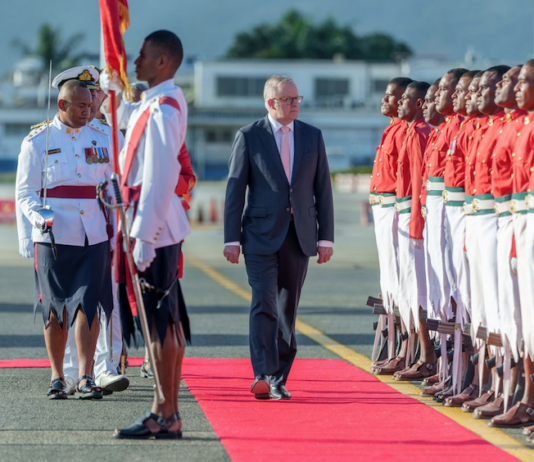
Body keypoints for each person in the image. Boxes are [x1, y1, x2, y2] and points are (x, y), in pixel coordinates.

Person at [101, 29, 191, 439]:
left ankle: (165, 412)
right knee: (163, 323)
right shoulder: (154, 104)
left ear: (163, 62)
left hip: (155, 225)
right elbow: (128, 143)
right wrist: (111, 88)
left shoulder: (165, 110)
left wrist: (143, 237)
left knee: (161, 324)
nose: (134, 63)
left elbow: (159, 178)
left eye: (141, 56)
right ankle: (163, 409)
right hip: (150, 221)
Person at [223, 74, 334, 400]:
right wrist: (232, 238)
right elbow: (235, 189)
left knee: (287, 309)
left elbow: (323, 189)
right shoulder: (249, 136)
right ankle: (262, 372)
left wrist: (325, 237)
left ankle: (278, 377)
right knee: (263, 303)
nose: (295, 104)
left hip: (299, 236)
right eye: (288, 99)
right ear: (271, 102)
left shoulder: (312, 136)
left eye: (297, 99)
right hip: (258, 235)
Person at [16, 79, 114, 400]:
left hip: (93, 233)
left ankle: (86, 377)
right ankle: (58, 376)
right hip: (53, 234)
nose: (89, 112)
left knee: (90, 303)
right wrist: (37, 217)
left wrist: (118, 218)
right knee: (55, 307)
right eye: (82, 107)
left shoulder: (103, 136)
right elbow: (25, 191)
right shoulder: (37, 141)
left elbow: (111, 183)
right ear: (63, 105)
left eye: (91, 106)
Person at [51, 66, 129, 395]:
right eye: (88, 93)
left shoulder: (108, 136)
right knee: (63, 302)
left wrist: (126, 221)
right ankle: (69, 372)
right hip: (59, 231)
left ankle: (102, 366)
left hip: (100, 227)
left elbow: (117, 183)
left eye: (97, 92)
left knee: (99, 299)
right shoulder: (48, 137)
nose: (95, 98)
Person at [490, 59, 534, 431]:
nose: (518, 87)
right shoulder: (519, 126)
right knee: (521, 316)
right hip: (516, 220)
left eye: (525, 82)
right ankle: (525, 398)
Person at [368, 76, 413, 375]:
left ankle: (404, 348)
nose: (384, 100)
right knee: (389, 282)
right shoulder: (392, 129)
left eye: (391, 96)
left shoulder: (404, 132)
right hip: (382, 208)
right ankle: (395, 344)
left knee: (400, 282)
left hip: (394, 208)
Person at [391, 81, 431, 373]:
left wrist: (416, 221)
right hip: (403, 209)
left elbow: (418, 182)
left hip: (412, 213)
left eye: (405, 99)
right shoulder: (408, 130)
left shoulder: (418, 133)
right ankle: (416, 352)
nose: (399, 103)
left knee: (417, 286)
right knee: (405, 285)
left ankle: (426, 355)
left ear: (418, 103)